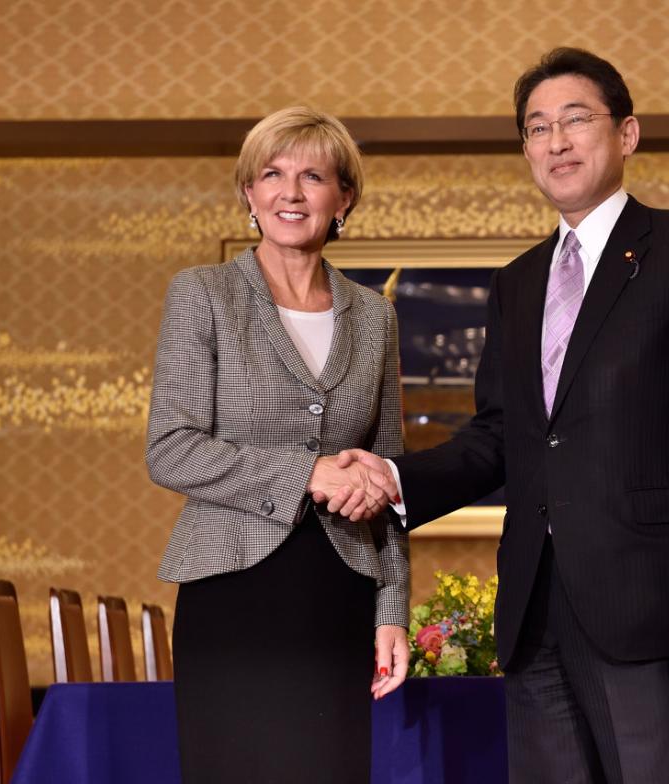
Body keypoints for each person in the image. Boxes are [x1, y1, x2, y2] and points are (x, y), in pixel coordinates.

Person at [334, 48, 669, 783]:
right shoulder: (519, 283)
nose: (555, 142)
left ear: (627, 134)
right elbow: (501, 437)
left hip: (653, 604)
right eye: (537, 129)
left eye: (574, 121)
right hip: (535, 611)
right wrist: (394, 479)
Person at [145, 106, 410, 783]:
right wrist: (309, 473)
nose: (292, 193)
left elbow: (389, 479)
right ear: (250, 195)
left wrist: (393, 612)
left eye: (313, 176)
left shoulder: (375, 318)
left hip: (338, 595)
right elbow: (170, 448)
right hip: (230, 595)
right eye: (273, 174)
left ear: (343, 197)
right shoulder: (202, 294)